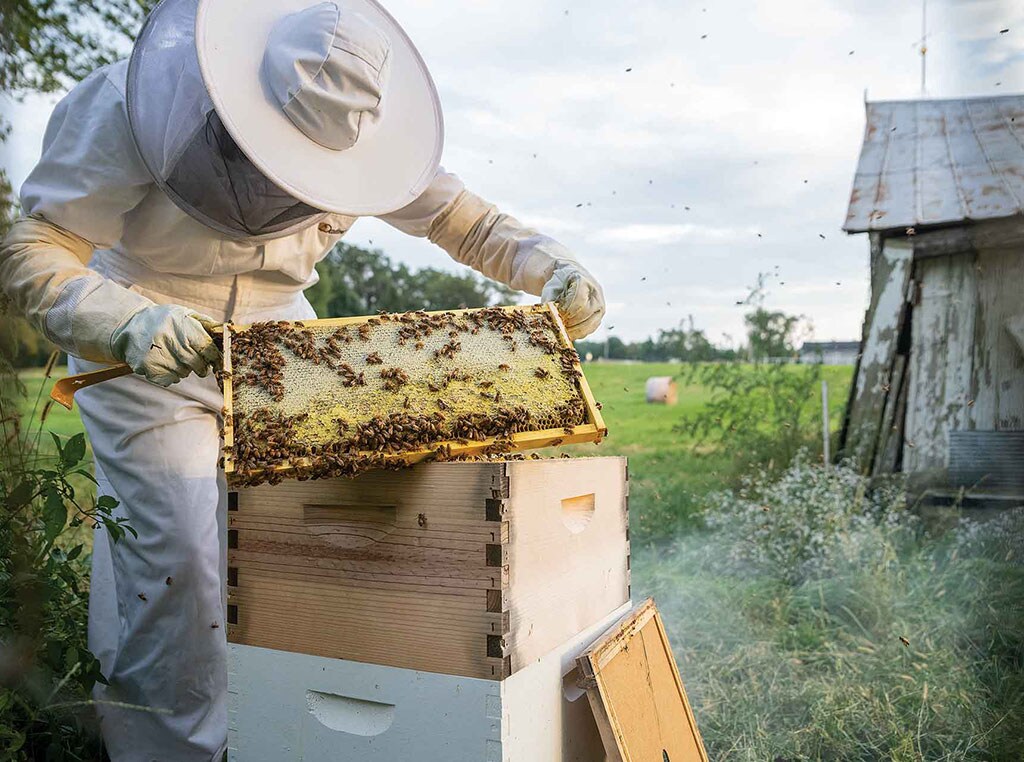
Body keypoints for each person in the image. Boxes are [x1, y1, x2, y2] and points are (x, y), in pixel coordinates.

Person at [0, 0, 605, 758]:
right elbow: (36, 247)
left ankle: (282, 733)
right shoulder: (129, 102)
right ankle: (173, 749)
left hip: (284, 343)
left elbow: (463, 220)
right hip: (143, 333)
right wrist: (120, 319)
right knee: (176, 565)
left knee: (319, 548)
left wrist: (548, 264)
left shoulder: (367, 137)